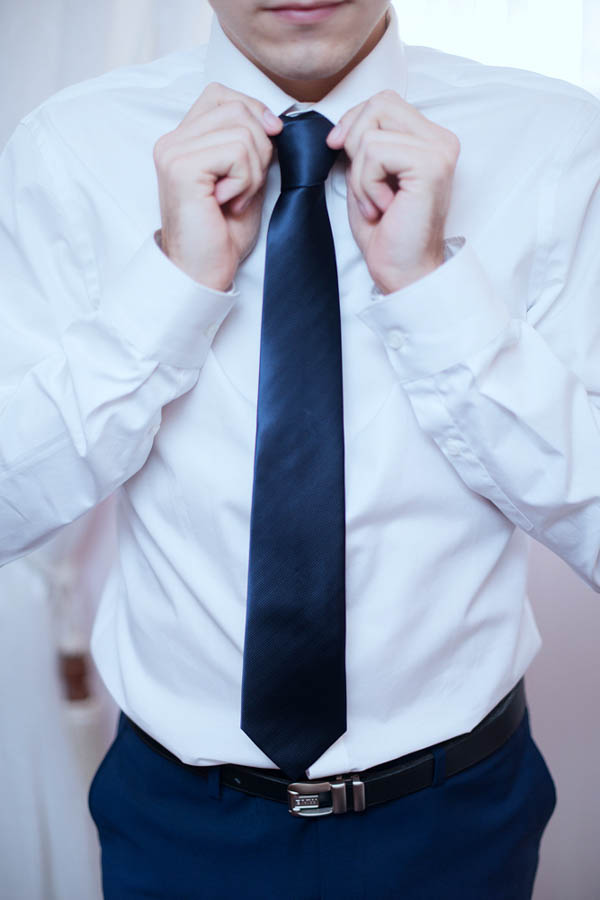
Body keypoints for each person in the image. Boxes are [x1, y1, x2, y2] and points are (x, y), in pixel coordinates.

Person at [1, 0, 599, 896]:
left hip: (457, 821)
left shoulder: (558, 145)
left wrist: (435, 294)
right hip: (173, 821)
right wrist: (170, 285)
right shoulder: (70, 148)